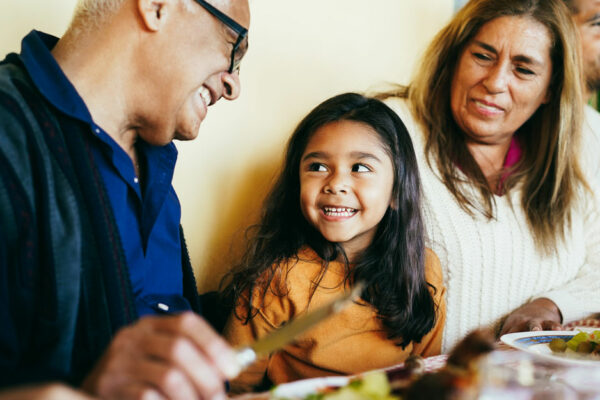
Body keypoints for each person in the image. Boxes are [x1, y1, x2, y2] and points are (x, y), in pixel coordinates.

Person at [0, 0, 249, 398]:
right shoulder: (8, 139)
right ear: (157, 6)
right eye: (234, 45)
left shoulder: (159, 181)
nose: (235, 85)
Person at [380, 0, 600, 353]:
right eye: (482, 56)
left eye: (524, 70)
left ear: (549, 90)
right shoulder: (389, 130)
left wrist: (551, 304)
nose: (495, 82)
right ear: (453, 57)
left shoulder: (575, 149)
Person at [221, 93, 446, 393]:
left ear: (396, 192)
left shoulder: (424, 269)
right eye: (317, 166)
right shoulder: (277, 280)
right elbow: (230, 387)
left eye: (360, 168)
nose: (336, 183)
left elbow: (427, 375)